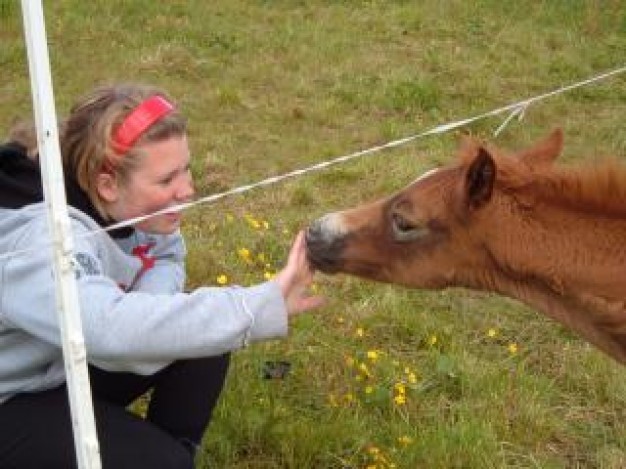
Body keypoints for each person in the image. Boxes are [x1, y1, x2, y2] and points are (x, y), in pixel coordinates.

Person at [0, 83, 323, 469]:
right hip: (12, 395)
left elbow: (167, 256)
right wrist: (255, 307)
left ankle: (167, 454)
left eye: (186, 169)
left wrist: (148, 319)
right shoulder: (42, 238)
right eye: (167, 180)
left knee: (201, 346)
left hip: (62, 364)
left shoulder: (133, 209)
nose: (187, 190)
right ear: (107, 184)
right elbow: (108, 329)